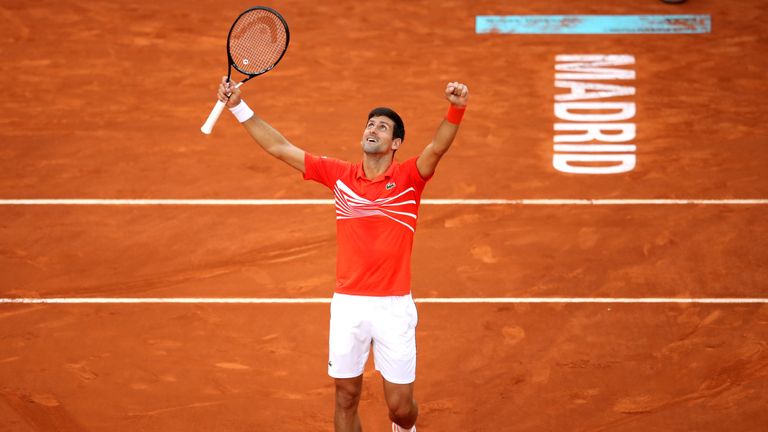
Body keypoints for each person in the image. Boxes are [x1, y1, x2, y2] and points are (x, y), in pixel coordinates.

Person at [216, 77, 469, 432]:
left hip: (393, 306)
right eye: (370, 124)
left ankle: (405, 428)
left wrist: (456, 108)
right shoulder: (340, 176)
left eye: (382, 127)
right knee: (346, 396)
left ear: (396, 143)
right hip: (349, 304)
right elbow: (280, 148)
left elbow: (437, 148)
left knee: (400, 408)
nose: (373, 129)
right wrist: (238, 106)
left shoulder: (410, 179)